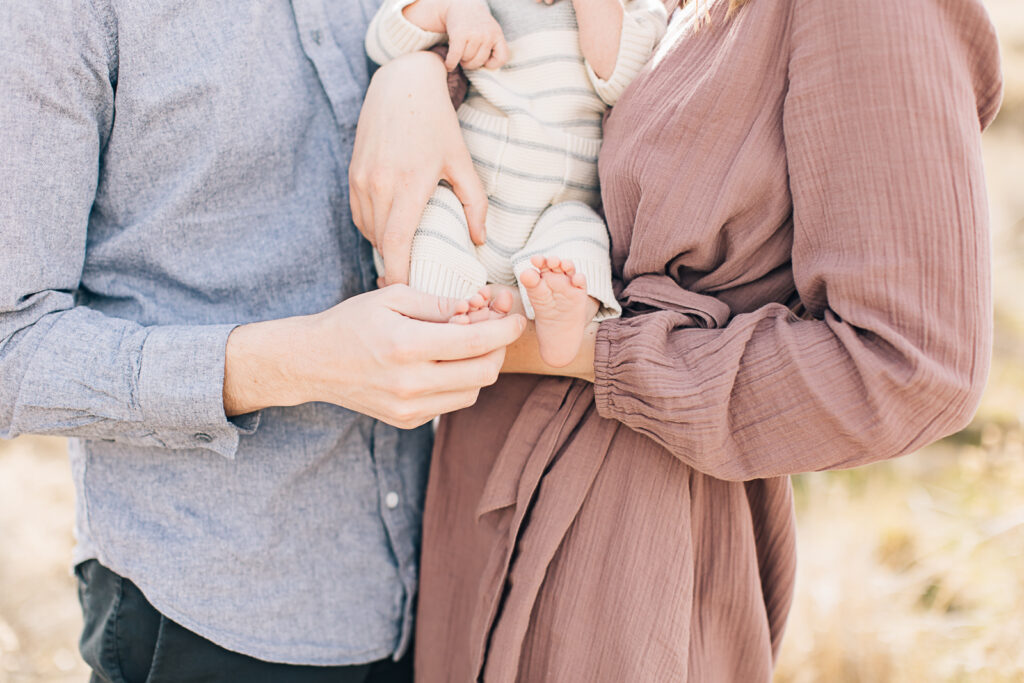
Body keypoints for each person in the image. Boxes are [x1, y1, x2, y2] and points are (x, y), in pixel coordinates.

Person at [352, 0, 1003, 679]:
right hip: (477, 502)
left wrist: (591, 350)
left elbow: (910, 367)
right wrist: (416, 76)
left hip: (626, 551)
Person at [0, 2, 524, 680]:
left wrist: (419, 70)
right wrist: (301, 363)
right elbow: (14, 344)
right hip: (208, 610)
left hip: (438, 584)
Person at [364, 0, 667, 367]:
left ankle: (559, 319)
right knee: (431, 219)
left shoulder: (633, 7)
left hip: (557, 208)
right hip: (468, 193)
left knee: (580, 239)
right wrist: (451, 10)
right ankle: (435, 328)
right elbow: (383, 41)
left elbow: (621, 82)